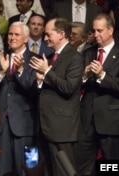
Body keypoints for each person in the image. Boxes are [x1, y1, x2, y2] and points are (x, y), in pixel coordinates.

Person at [29, 18, 83, 176]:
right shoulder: (51, 56)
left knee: (64, 172)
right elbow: (47, 89)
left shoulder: (74, 58)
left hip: (62, 129)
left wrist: (47, 72)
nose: (45, 38)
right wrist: (39, 81)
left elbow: (68, 88)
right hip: (44, 126)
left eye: (48, 34)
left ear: (61, 34)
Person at [77, 13, 119, 176]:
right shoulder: (88, 53)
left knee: (111, 167)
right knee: (83, 168)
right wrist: (84, 76)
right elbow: (76, 84)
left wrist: (102, 75)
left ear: (110, 30)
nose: (95, 35)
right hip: (87, 120)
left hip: (112, 122)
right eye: (93, 30)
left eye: (99, 31)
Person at [0, 21, 38, 176]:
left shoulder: (35, 59)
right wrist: (1, 73)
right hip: (1, 123)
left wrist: (20, 71)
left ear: (26, 38)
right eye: (10, 34)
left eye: (16, 34)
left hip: (26, 124)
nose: (12, 38)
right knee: (1, 170)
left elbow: (35, 91)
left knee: (29, 169)